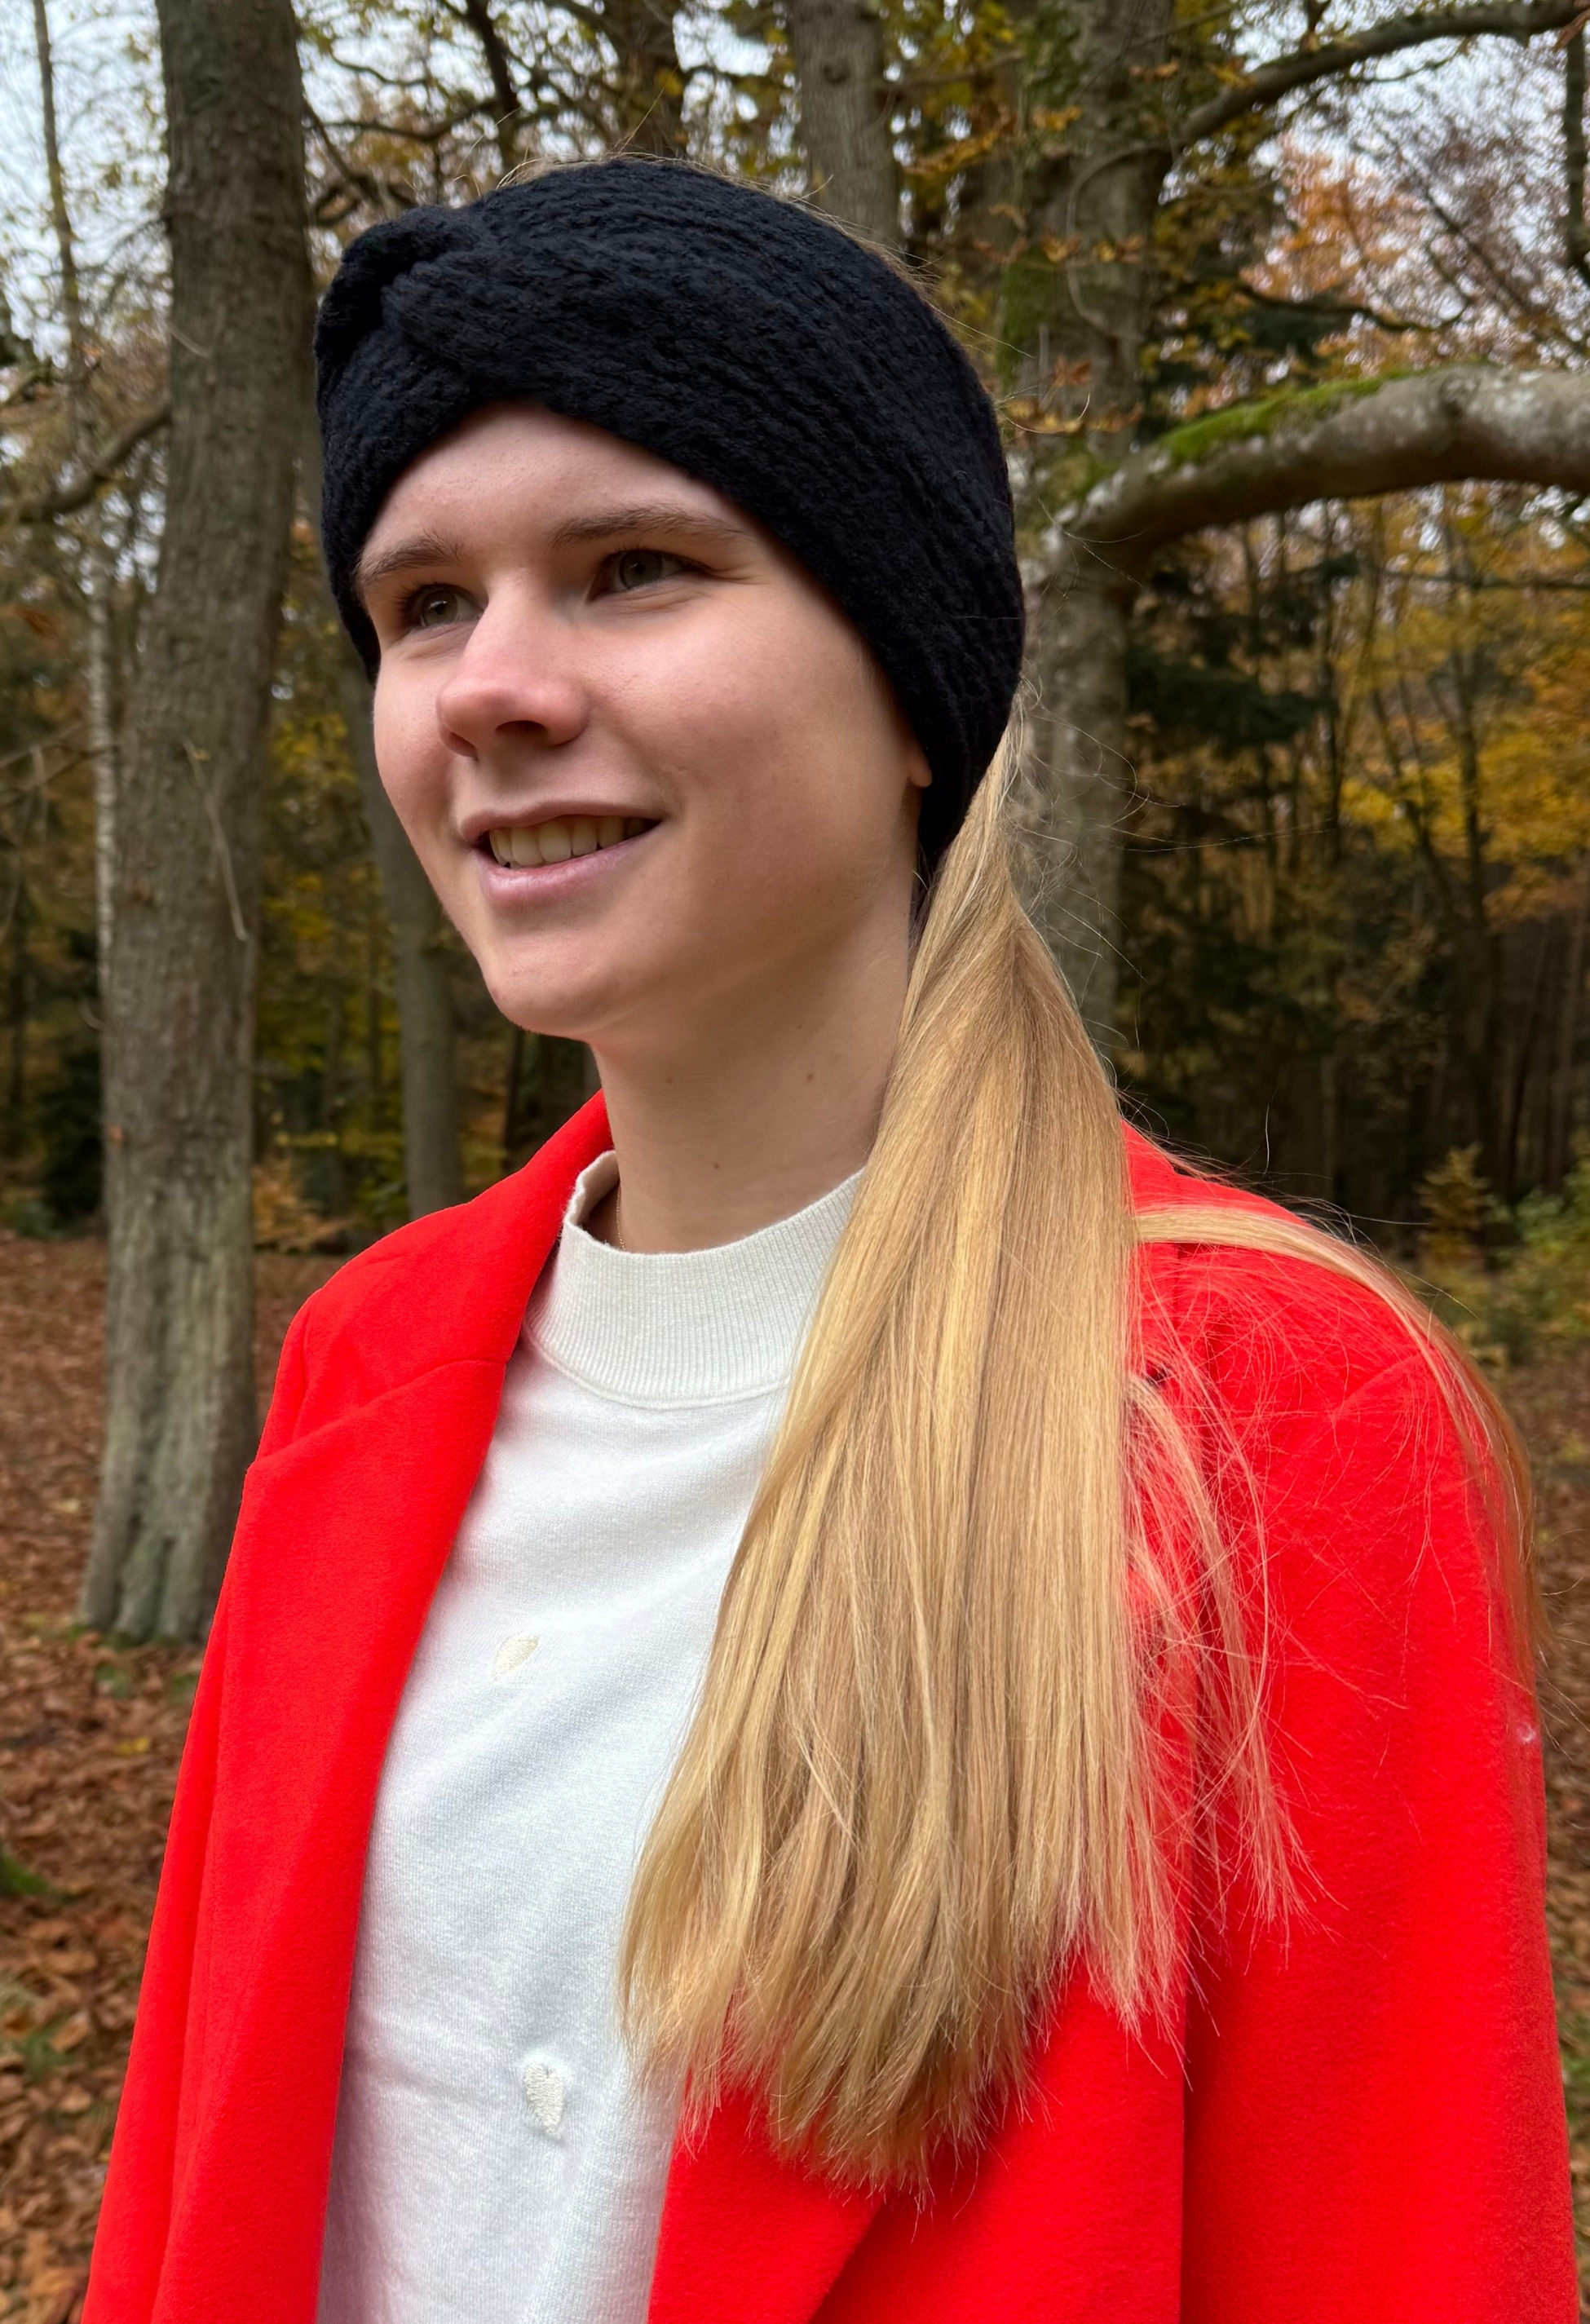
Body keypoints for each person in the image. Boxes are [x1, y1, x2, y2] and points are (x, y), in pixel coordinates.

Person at [83, 158, 1574, 2324]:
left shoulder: (1269, 1414)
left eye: (632, 568)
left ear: (908, 689)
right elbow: (190, 2186)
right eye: (423, 604)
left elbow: (1401, 2256)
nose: (492, 684)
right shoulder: (367, 1362)